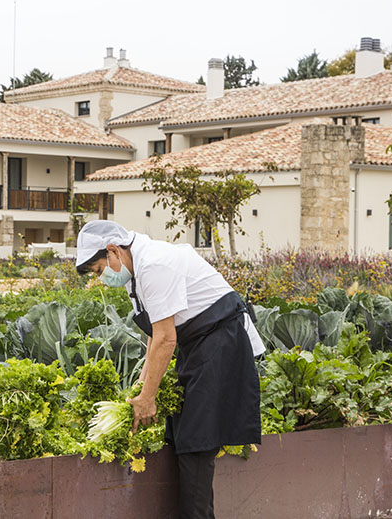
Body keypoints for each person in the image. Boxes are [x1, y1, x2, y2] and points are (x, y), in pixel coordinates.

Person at [75, 220, 263, 519]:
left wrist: (149, 397)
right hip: (198, 342)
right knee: (180, 432)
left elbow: (166, 337)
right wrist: (144, 380)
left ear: (113, 251)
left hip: (221, 341)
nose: (102, 279)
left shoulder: (154, 264)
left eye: (99, 270)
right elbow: (154, 331)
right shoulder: (134, 272)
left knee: (198, 439)